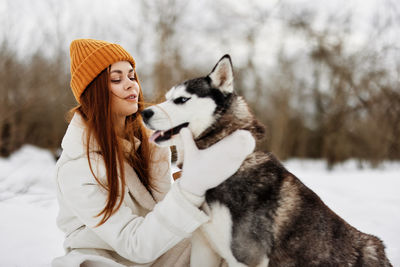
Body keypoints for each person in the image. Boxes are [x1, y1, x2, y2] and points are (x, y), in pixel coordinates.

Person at [52, 39, 255, 267]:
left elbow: (163, 215)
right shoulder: (77, 168)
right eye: (116, 79)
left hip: (162, 252)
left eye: (131, 76)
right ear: (94, 92)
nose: (131, 85)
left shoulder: (150, 143)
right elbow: (134, 244)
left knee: (240, 248)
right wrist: (189, 192)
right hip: (106, 260)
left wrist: (198, 186)